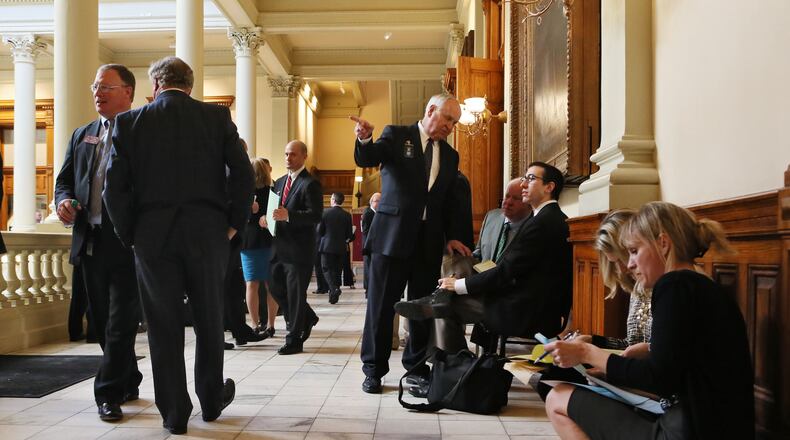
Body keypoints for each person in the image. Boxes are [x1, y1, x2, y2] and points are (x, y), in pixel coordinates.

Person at [104, 56, 252, 435]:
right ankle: (211, 400)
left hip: (153, 238)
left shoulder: (129, 122)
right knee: (209, 319)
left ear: (155, 85)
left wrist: (130, 235)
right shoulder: (216, 118)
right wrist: (235, 223)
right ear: (190, 84)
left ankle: (174, 413)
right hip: (208, 234)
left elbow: (114, 189)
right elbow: (243, 172)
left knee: (162, 326)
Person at [543, 202, 754, 440]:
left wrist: (586, 352)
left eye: (634, 251)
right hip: (717, 426)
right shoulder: (698, 285)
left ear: (663, 244)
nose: (629, 264)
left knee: (558, 397)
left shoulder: (674, 285)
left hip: (689, 430)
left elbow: (659, 379)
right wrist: (647, 352)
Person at [350, 93, 472, 394]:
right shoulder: (397, 135)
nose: (450, 126)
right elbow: (368, 157)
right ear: (431, 110)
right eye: (447, 119)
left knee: (421, 309)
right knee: (380, 308)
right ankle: (374, 370)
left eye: (454, 122)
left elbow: (448, 202)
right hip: (390, 238)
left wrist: (454, 235)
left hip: (427, 243)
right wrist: (365, 138)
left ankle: (416, 368)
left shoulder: (451, 155)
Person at [395, 162, 572, 355]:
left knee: (445, 308)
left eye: (530, 179)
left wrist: (459, 285)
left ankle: (456, 363)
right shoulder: (546, 218)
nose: (523, 184)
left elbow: (506, 271)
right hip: (523, 300)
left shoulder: (543, 222)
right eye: (524, 179)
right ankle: (453, 356)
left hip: (525, 310)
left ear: (549, 187)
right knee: (448, 291)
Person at [54, 64, 143, 422]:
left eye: (106, 86)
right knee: (102, 318)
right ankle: (129, 375)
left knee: (122, 319)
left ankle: (107, 393)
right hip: (89, 239)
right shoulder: (83, 134)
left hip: (127, 240)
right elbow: (63, 181)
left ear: (128, 93)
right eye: (95, 86)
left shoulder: (142, 132)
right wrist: (63, 201)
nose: (97, 92)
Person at [268, 140, 323, 355]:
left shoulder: (310, 184)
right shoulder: (280, 182)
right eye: (285, 154)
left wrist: (289, 215)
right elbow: (274, 210)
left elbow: (316, 215)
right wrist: (267, 219)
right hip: (278, 246)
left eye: (292, 154)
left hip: (299, 250)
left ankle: (294, 339)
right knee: (275, 287)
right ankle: (307, 317)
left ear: (303, 156)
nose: (288, 158)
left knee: (295, 294)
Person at [223, 140, 266, 349]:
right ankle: (217, 336)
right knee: (217, 289)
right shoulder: (220, 169)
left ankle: (241, 331)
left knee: (232, 288)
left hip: (233, 237)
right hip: (222, 236)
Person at [241, 157, 277, 337]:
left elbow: (238, 217)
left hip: (251, 243)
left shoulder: (245, 192)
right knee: (270, 285)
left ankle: (255, 324)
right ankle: (270, 324)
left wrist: (251, 212)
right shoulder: (273, 192)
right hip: (268, 241)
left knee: (252, 284)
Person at [474, 178, 531, 263]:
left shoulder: (534, 227)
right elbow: (478, 254)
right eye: (507, 196)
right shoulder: (491, 217)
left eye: (516, 198)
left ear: (529, 202)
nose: (508, 202)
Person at [318, 192, 354, 304]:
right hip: (341, 247)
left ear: (333, 200)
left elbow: (319, 231)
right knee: (337, 272)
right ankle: (333, 298)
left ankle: (334, 289)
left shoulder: (325, 213)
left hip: (326, 246)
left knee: (326, 269)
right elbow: (349, 234)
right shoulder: (347, 215)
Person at [360, 192, 380, 296]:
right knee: (368, 268)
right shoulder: (368, 213)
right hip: (369, 245)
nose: (379, 203)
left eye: (380, 201)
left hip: (375, 245)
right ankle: (368, 290)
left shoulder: (377, 213)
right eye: (377, 201)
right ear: (371, 202)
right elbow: (366, 231)